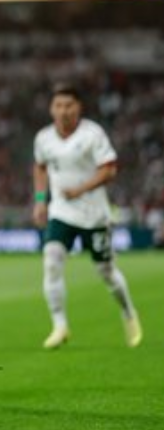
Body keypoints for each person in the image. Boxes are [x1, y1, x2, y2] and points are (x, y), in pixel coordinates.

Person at [32, 84, 142, 349]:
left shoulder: (92, 134)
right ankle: (59, 325)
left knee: (105, 270)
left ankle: (128, 312)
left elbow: (109, 170)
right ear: (51, 109)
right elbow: (40, 166)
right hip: (61, 212)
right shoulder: (44, 138)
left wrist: (80, 189)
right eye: (58, 106)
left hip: (94, 214)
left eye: (68, 105)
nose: (63, 111)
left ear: (78, 107)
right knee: (51, 260)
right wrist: (39, 201)